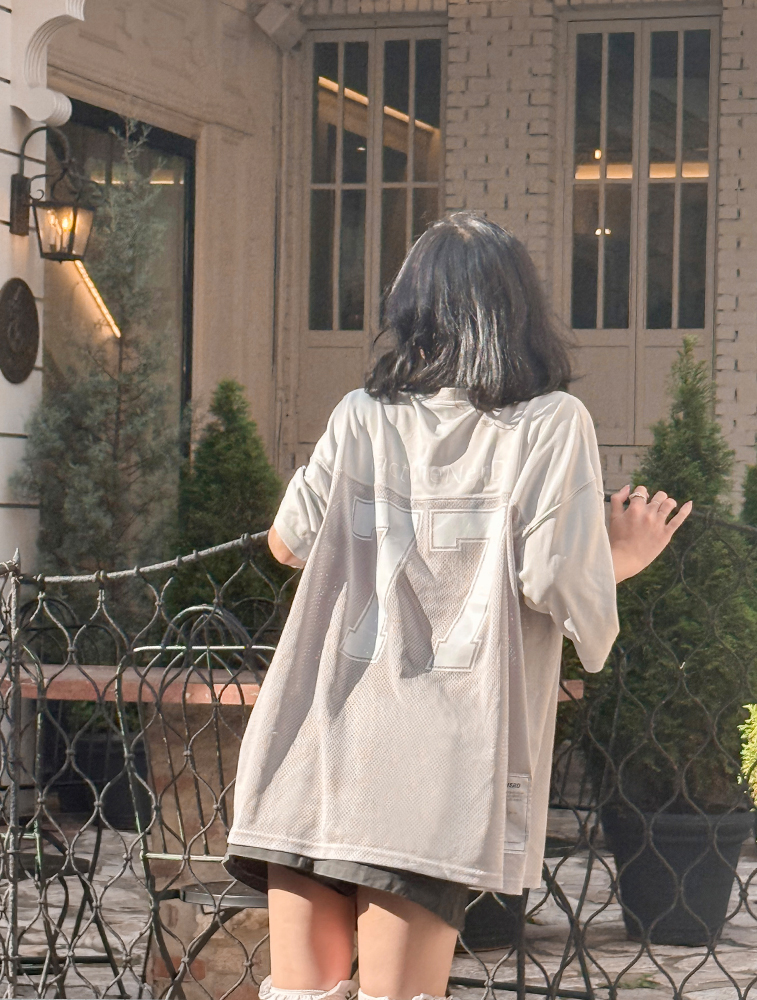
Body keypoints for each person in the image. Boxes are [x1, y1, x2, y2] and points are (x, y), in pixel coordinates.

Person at [225, 212, 692, 1000]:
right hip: (431, 765)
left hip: (313, 738)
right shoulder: (549, 423)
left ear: (411, 309)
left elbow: (286, 543)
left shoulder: (359, 413)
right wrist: (625, 555)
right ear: (518, 310)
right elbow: (555, 581)